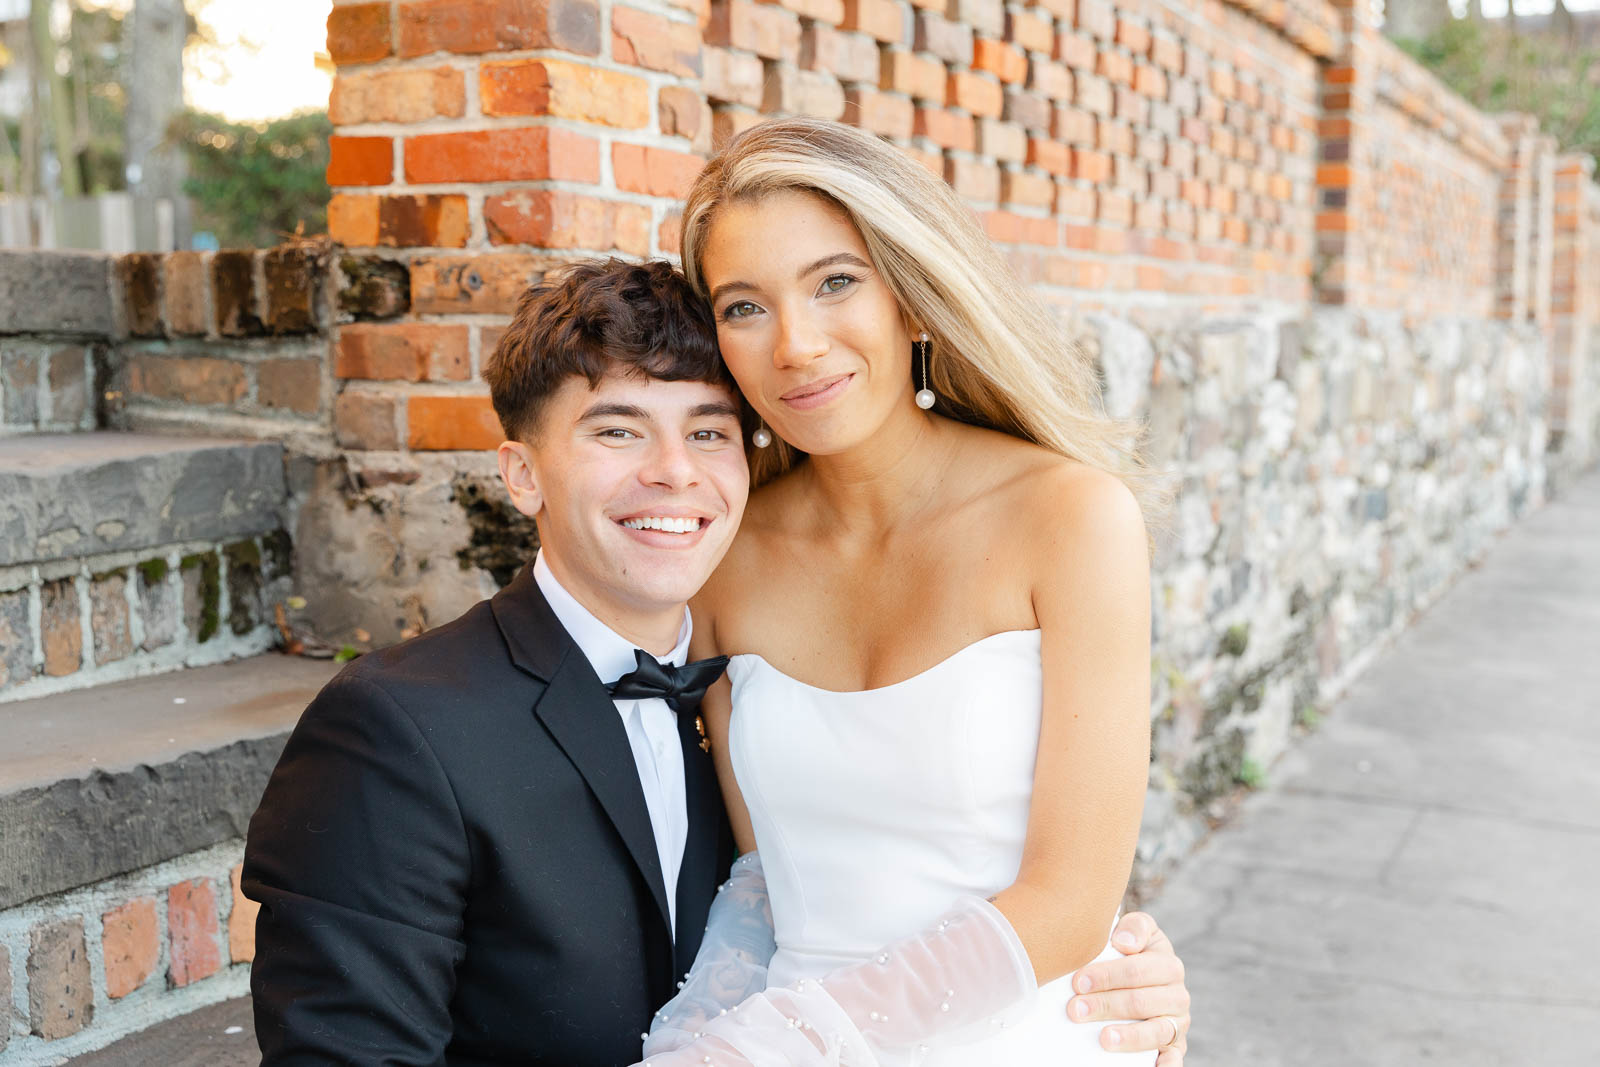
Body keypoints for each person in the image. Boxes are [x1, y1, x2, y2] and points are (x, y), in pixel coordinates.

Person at [242, 258, 1191, 1065]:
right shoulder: (396, 729)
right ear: (522, 473)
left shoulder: (742, 671)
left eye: (707, 431)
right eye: (617, 430)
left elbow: (858, 868)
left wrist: (1105, 957)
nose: (674, 473)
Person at [633, 118, 1186, 1065]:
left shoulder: (1072, 519)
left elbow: (1068, 904)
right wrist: (694, 1043)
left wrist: (763, 1049)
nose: (796, 346)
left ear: (915, 298)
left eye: (835, 282)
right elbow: (761, 881)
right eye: (743, 307)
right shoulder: (724, 555)